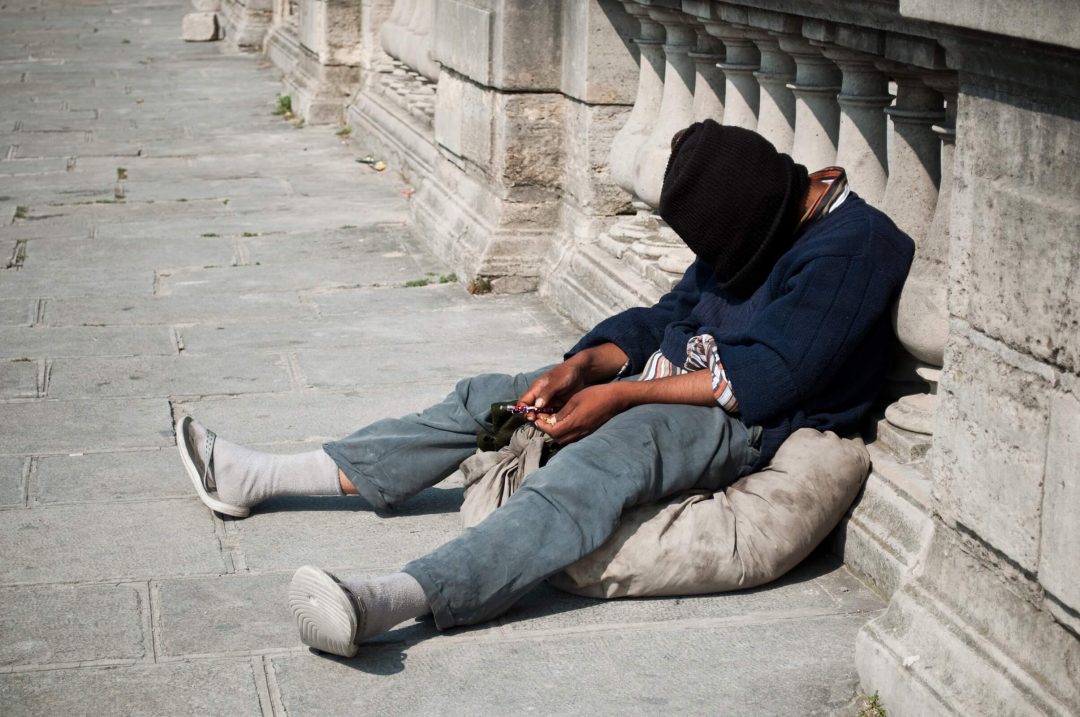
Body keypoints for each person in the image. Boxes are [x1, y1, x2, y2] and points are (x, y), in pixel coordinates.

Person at [176, 121, 914, 658]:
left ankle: (394, 598)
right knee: (493, 398)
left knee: (604, 459)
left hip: (744, 419)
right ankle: (262, 476)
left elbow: (773, 375)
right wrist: (585, 367)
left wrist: (621, 400)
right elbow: (668, 315)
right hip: (671, 379)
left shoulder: (858, 246)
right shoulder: (754, 212)